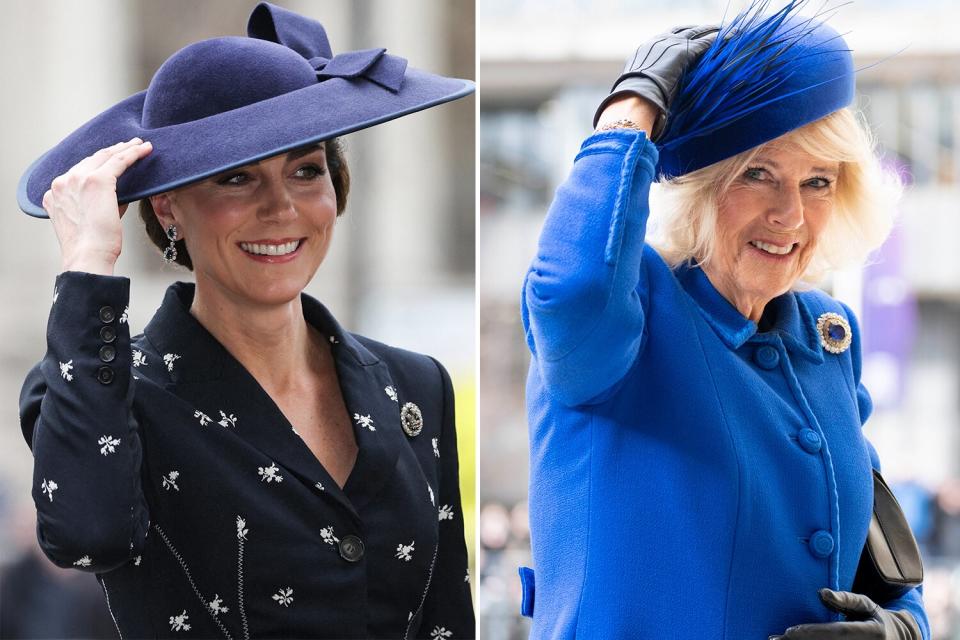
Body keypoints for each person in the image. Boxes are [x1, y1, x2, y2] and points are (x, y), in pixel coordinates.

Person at [17, 3, 474, 639]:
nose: (281, 208)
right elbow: (87, 535)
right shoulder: (103, 393)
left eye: (306, 170)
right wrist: (88, 264)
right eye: (236, 179)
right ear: (168, 207)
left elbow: (447, 618)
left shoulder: (417, 385)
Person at [519, 2, 930, 639]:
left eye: (818, 181)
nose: (790, 214)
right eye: (758, 174)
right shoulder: (629, 313)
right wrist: (632, 111)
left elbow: (887, 569)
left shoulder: (826, 338)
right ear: (699, 186)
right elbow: (571, 290)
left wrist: (898, 632)